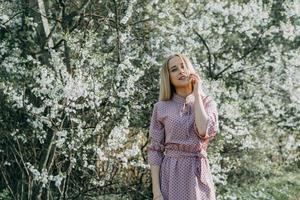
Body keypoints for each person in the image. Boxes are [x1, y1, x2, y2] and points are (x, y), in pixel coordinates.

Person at [147, 53, 219, 200]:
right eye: (174, 69)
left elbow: (203, 130)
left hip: (198, 173)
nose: (181, 71)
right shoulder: (161, 107)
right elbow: (155, 150)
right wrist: (157, 192)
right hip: (171, 174)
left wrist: (197, 93)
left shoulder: (207, 102)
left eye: (183, 66)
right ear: (169, 78)